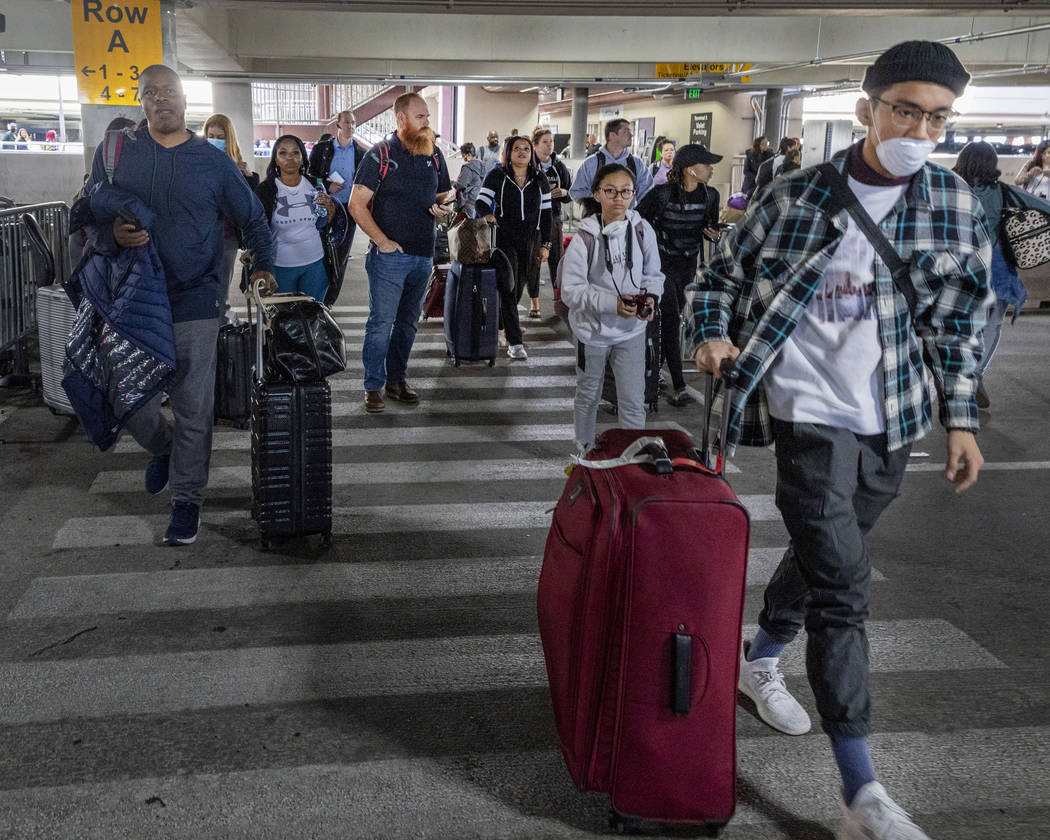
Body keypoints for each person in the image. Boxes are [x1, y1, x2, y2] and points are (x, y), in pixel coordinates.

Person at [685, 41, 991, 840]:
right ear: (866, 108)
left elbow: (959, 326)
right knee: (846, 589)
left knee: (831, 554)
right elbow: (716, 277)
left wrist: (960, 420)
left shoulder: (955, 205)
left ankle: (758, 660)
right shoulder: (795, 196)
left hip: (892, 415)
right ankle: (862, 792)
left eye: (937, 116)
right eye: (905, 109)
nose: (920, 127)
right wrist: (711, 335)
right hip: (805, 413)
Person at [86, 64, 274, 546]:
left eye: (169, 91)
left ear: (184, 99)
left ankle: (186, 500)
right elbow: (86, 213)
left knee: (193, 406)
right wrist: (110, 234)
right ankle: (163, 447)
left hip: (195, 298)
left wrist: (261, 266)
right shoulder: (117, 154)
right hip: (130, 298)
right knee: (125, 396)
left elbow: (253, 218)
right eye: (150, 93)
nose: (160, 99)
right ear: (141, 101)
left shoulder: (211, 161)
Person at [349, 92, 452, 414]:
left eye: (428, 117)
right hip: (390, 259)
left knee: (407, 324)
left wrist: (442, 210)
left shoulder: (433, 154)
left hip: (423, 255)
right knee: (381, 323)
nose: (426, 123)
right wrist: (382, 241)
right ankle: (373, 387)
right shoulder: (381, 154)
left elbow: (443, 195)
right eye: (420, 117)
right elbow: (355, 203)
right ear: (401, 119)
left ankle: (396, 380)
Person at [560, 163, 663, 455]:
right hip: (591, 332)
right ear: (597, 194)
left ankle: (631, 459)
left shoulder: (643, 229)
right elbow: (571, 290)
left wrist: (651, 297)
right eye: (610, 191)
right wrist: (612, 305)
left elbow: (653, 274)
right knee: (588, 395)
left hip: (631, 331)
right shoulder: (585, 237)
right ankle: (584, 453)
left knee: (633, 401)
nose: (619, 198)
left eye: (626, 191)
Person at [953, 141, 1050, 408]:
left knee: (958, 326)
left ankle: (956, 373)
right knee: (992, 324)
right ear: (992, 164)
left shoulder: (948, 189)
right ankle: (976, 371)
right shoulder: (1004, 192)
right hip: (996, 271)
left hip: (956, 270)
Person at [637, 143, 723, 408]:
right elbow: (638, 219)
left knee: (673, 323)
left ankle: (655, 375)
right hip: (661, 265)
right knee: (672, 319)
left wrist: (713, 232)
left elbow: (710, 225)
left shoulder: (711, 196)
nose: (710, 169)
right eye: (706, 165)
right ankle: (679, 384)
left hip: (688, 264)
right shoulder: (662, 194)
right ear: (690, 170)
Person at [476, 135, 552, 357]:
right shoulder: (497, 175)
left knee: (519, 287)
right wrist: (489, 215)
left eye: (526, 148)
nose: (522, 152)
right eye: (516, 148)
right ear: (508, 153)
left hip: (531, 239)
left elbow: (546, 214)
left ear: (531, 153)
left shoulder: (539, 179)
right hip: (503, 238)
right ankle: (515, 343)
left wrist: (546, 244)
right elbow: (480, 201)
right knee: (509, 287)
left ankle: (501, 325)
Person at [253, 135, 338, 301]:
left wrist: (331, 211)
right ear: (275, 160)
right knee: (283, 321)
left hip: (315, 265)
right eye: (283, 153)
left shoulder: (315, 186)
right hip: (280, 266)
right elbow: (256, 228)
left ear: (302, 158)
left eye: (295, 153)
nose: (290, 158)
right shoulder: (266, 190)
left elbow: (324, 225)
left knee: (311, 318)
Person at [203, 113, 259, 321]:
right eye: (211, 135)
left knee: (222, 285)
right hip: (201, 235)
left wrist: (242, 178)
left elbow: (248, 203)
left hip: (227, 236)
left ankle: (220, 324)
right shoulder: (198, 161)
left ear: (229, 139)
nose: (215, 140)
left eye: (220, 136)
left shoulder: (237, 165)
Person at [309, 110, 369, 303]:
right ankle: (315, 295)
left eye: (353, 123)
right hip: (325, 208)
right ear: (338, 125)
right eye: (347, 123)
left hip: (349, 210)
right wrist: (327, 185)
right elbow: (310, 177)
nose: (350, 126)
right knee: (319, 252)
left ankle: (329, 302)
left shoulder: (361, 153)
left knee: (340, 258)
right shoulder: (322, 149)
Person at [568, 119, 654, 207]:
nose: (631, 135)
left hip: (626, 219)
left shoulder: (637, 164)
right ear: (612, 135)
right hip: (596, 218)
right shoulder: (591, 163)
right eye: (626, 132)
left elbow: (648, 195)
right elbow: (576, 192)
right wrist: (600, 200)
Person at [530, 127, 573, 296]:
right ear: (535, 145)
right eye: (545, 142)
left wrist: (564, 193)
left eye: (551, 142)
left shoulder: (559, 167)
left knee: (557, 258)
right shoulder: (529, 166)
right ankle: (535, 301)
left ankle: (559, 296)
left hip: (554, 217)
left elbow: (570, 193)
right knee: (534, 260)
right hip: (534, 219)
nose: (549, 146)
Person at [454, 143, 486, 214]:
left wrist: (451, 183)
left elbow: (461, 185)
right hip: (478, 201)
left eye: (464, 156)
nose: (464, 159)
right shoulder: (482, 166)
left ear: (468, 155)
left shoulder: (468, 167)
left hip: (468, 203)